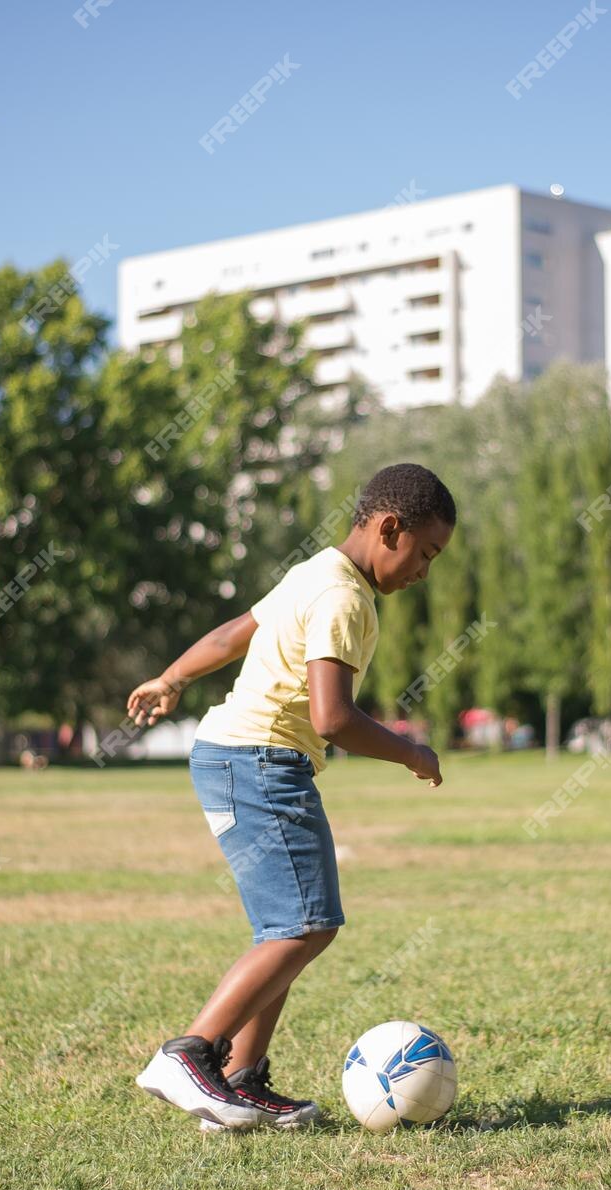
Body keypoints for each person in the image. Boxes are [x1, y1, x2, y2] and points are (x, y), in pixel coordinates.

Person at [125, 464, 455, 1131]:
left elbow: (230, 635)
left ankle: (240, 1076)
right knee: (305, 923)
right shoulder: (345, 599)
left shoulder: (313, 572)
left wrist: (171, 677)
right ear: (390, 528)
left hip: (233, 757)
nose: (424, 571)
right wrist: (411, 751)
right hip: (261, 761)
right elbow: (333, 717)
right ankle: (189, 1055)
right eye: (425, 553)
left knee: (291, 925)